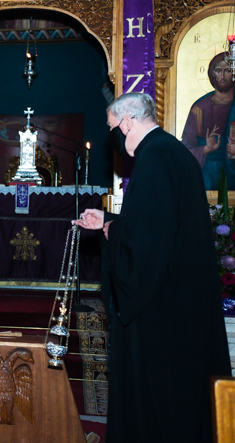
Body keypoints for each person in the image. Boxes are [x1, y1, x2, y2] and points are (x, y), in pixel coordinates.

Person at [74, 93, 230, 443]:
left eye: (113, 128)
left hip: (162, 307)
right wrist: (110, 221)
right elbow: (155, 227)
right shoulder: (173, 151)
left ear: (127, 123)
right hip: (181, 296)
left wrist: (111, 228)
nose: (113, 135)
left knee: (160, 399)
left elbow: (144, 243)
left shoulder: (154, 158)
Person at [181, 52, 235, 189]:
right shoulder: (199, 108)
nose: (222, 76)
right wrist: (207, 148)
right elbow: (185, 151)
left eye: (228, 70)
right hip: (206, 178)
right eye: (218, 71)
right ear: (212, 74)